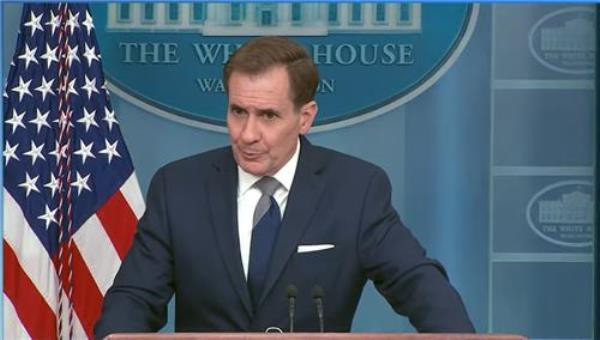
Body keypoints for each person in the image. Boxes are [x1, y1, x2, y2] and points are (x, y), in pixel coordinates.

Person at [95, 36, 474, 338]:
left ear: (305, 117)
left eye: (268, 116)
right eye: (238, 112)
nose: (247, 134)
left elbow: (418, 284)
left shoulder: (356, 190)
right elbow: (134, 298)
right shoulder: (178, 187)